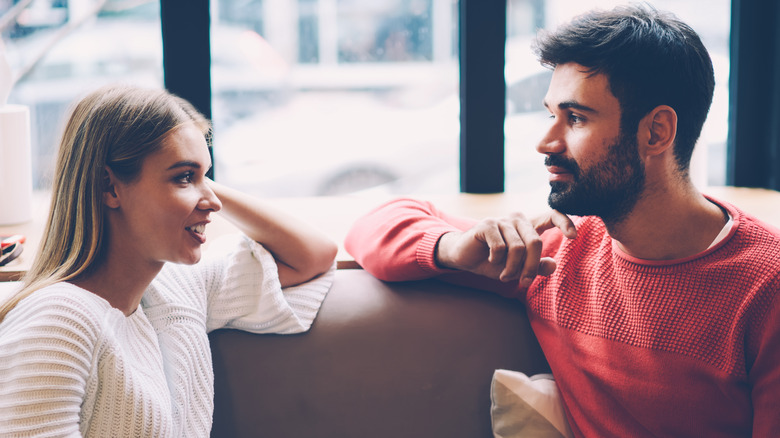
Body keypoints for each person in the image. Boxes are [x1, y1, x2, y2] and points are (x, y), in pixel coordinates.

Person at [344, 4, 780, 437]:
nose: (545, 142)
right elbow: (371, 227)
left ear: (656, 132)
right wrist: (454, 249)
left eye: (575, 118)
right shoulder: (553, 254)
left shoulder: (767, 288)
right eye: (550, 114)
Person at [0, 84, 338, 437]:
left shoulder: (175, 290)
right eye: (182, 177)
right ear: (109, 187)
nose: (213, 202)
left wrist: (197, 182)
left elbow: (312, 254)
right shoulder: (58, 321)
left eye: (205, 176)